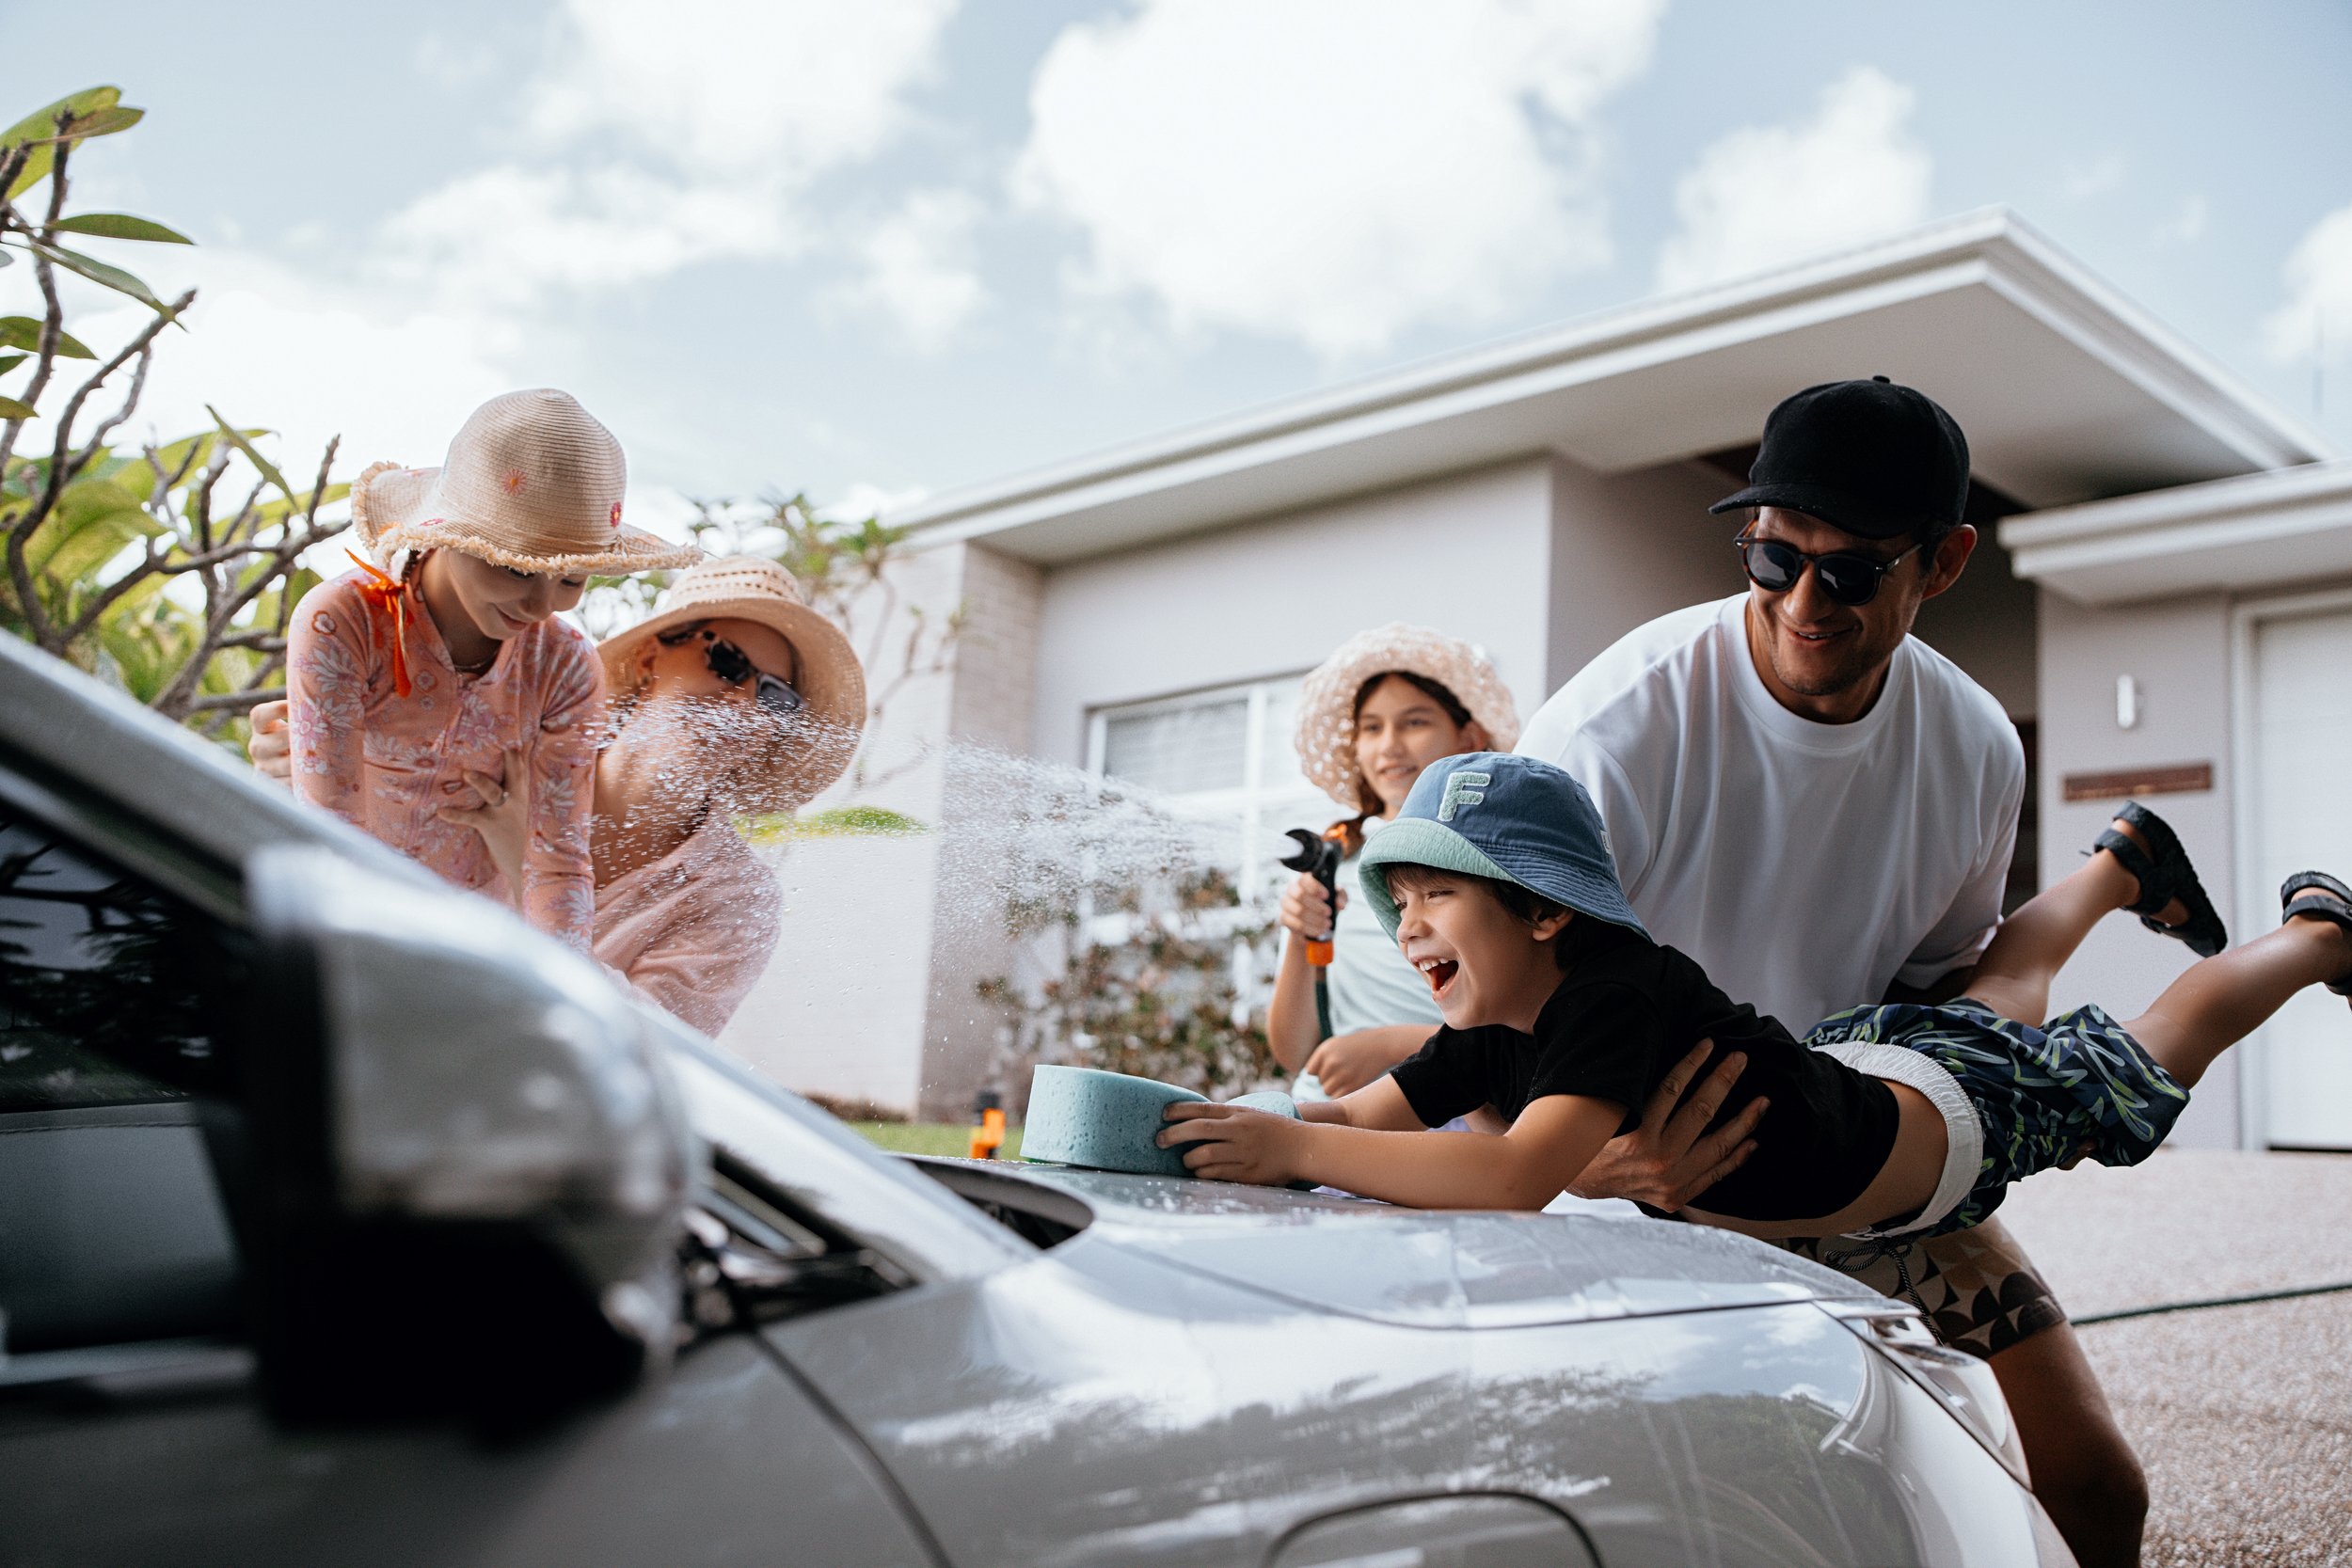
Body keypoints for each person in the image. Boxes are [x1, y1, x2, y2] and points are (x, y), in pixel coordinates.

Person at [1512, 376, 2150, 1565]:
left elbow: (1940, 979)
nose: (1803, 599)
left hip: (1840, 1145)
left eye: (1852, 569)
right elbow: (1492, 995)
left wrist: (1934, 1131)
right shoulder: (1613, 730)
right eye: (1771, 557)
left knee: (2096, 1489)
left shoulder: (1969, 746)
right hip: (1630, 1170)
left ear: (1942, 563)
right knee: (1742, 1509)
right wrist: (1588, 1152)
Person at [1157, 752, 2351, 1260]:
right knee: (2000, 1000)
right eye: (1397, 896)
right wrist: (1245, 1134)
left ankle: (2312, 935)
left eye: (1438, 893)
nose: (1406, 920)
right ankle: (2115, 865)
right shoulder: (1488, 1032)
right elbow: (1365, 1118)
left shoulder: (1606, 998)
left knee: (2134, 1058)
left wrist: (1290, 1144)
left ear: (1541, 911)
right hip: (1852, 1066)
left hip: (1937, 1131)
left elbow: (1515, 1174)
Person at [255, 555, 866, 1036]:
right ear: (653, 657)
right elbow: (347, 850)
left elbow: (654, 1051)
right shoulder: (494, 749)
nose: (743, 701)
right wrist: (291, 764)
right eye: (729, 664)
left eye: (774, 697)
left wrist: (528, 864)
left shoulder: (734, 899)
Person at [282, 388, 698, 952]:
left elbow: (559, 866)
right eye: (514, 567)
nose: (543, 605)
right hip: (331, 923)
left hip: (474, 947)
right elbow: (330, 828)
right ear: (450, 534)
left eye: (572, 578)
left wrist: (561, 988)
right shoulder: (347, 622)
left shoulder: (564, 668)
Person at [1271, 626, 1518, 1098]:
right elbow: (1294, 1051)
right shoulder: (1333, 861)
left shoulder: (1492, 859)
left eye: (1415, 722)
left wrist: (1394, 1047)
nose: (1389, 745)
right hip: (1327, 1123)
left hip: (1448, 1121)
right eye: (1371, 727)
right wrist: (1299, 936)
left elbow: (1527, 1031)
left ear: (1469, 736)